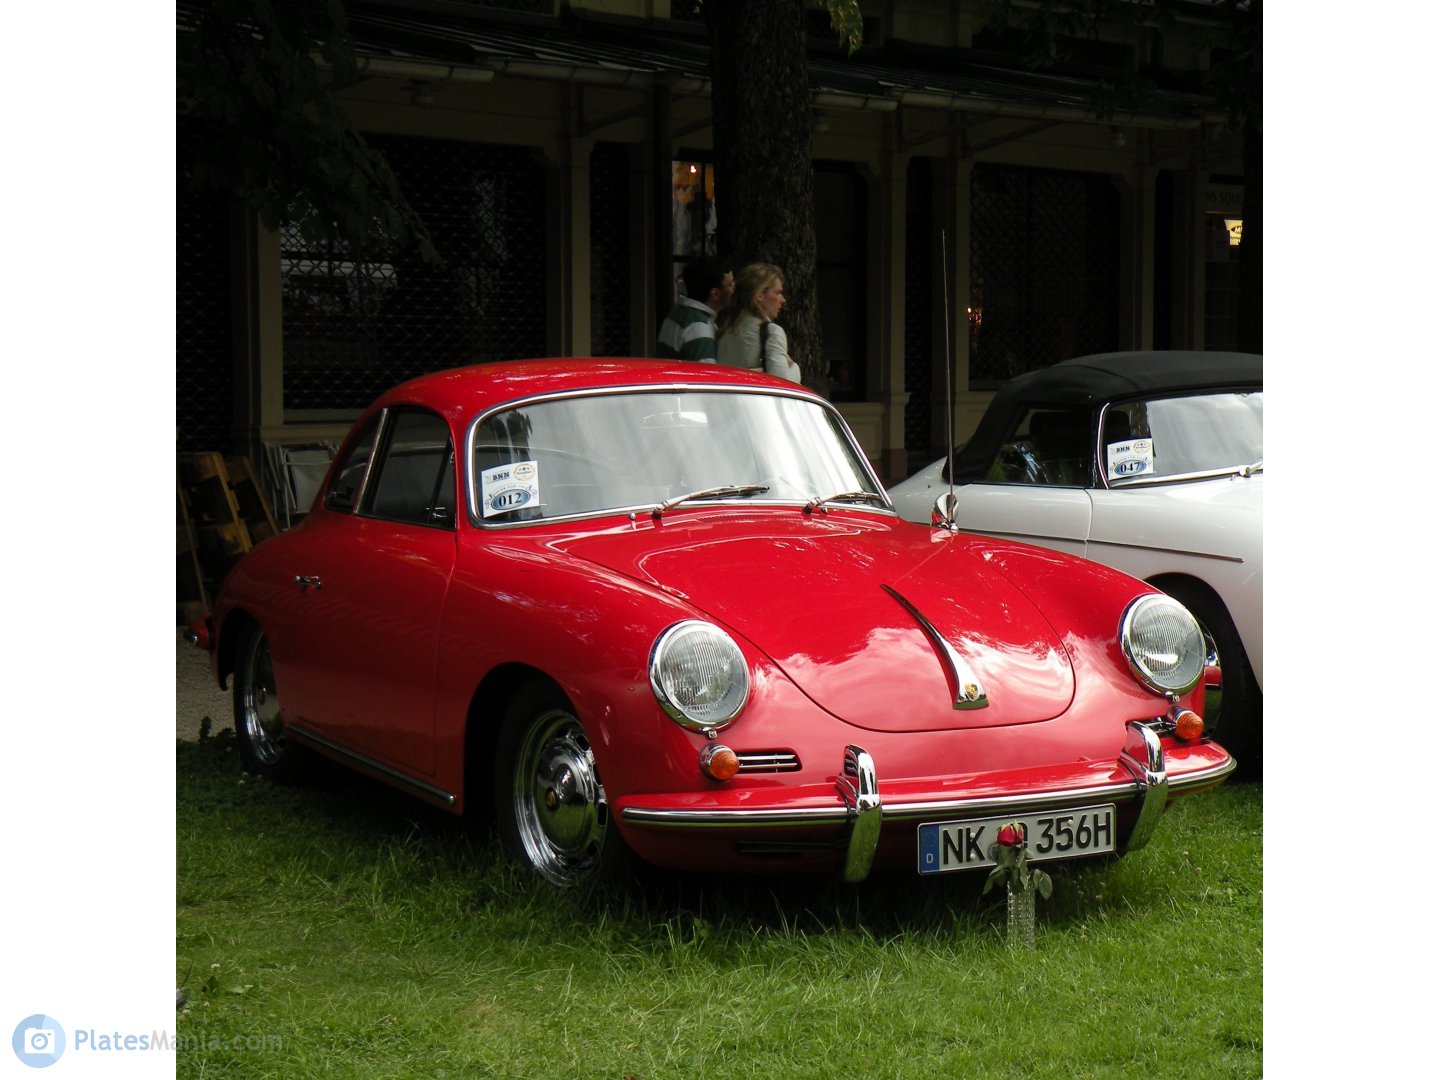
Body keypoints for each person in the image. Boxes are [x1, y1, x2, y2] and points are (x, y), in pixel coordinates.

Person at [715, 262, 802, 382]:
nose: (783, 300)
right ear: (759, 295)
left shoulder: (723, 332)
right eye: (777, 292)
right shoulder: (772, 332)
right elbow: (784, 384)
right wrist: (794, 367)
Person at [655, 255, 734, 363]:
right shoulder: (699, 327)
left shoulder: (679, 313)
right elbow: (706, 376)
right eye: (730, 285)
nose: (734, 289)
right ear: (715, 293)